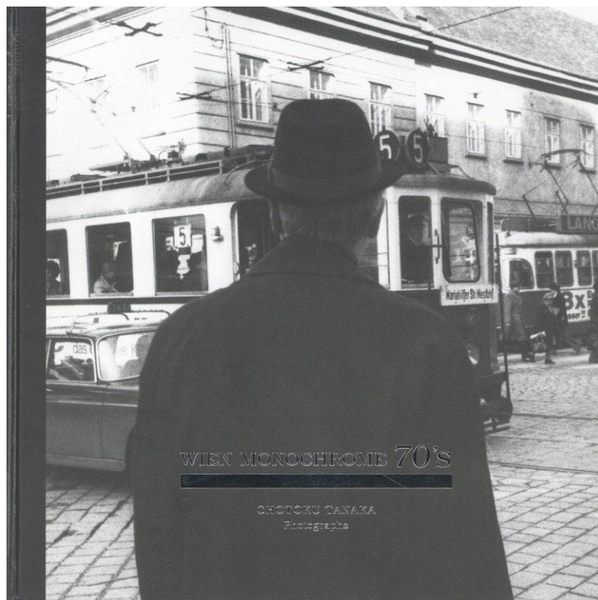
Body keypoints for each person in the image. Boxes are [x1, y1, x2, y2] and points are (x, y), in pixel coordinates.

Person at [132, 99, 512, 600]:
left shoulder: (180, 337)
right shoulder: (429, 343)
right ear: (376, 215)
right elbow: (466, 539)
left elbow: (158, 529)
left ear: (274, 213)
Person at [504, 282, 535, 361]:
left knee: (523, 337)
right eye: (517, 287)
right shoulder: (509, 295)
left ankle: (525, 355)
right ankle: (525, 356)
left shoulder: (516, 295)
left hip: (519, 318)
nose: (519, 288)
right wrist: (508, 321)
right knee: (522, 337)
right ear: (513, 288)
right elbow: (507, 309)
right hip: (515, 319)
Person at [549, 282, 581, 353]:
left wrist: (558, 317)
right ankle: (553, 350)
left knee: (563, 335)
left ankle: (577, 345)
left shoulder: (559, 296)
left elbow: (561, 309)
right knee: (559, 334)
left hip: (560, 319)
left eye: (551, 289)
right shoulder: (556, 296)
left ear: (554, 289)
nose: (550, 291)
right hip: (558, 318)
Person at [536, 291, 559, 365]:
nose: (552, 301)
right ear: (547, 300)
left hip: (549, 328)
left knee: (548, 344)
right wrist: (539, 330)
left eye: (552, 299)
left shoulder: (549, 307)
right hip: (544, 328)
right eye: (550, 300)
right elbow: (538, 319)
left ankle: (548, 358)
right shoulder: (541, 307)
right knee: (542, 344)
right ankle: (532, 354)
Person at [589, 281, 598, 364]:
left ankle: (593, 359)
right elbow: (593, 312)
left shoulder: (594, 297)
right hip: (596, 322)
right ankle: (593, 359)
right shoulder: (596, 298)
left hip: (595, 321)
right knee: (596, 341)